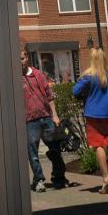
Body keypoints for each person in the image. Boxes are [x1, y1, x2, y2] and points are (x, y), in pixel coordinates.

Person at [72, 47, 108, 194]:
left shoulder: (89, 76)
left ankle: (106, 178)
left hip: (93, 114)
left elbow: (75, 91)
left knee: (98, 145)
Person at [19, 49, 67, 193]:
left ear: (26, 58)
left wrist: (55, 115)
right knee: (32, 152)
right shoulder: (14, 78)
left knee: (55, 150)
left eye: (22, 58)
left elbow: (49, 96)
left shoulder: (37, 74)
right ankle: (38, 180)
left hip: (46, 117)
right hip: (29, 121)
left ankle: (59, 178)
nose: (20, 62)